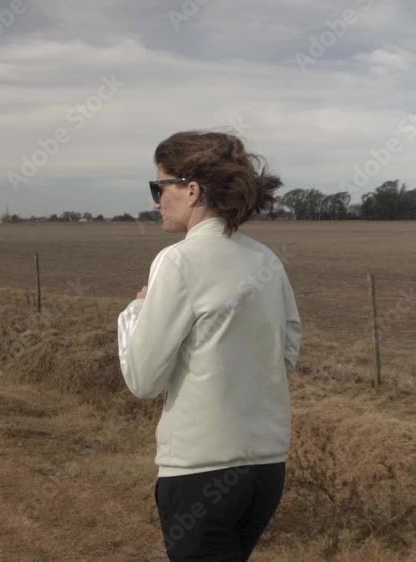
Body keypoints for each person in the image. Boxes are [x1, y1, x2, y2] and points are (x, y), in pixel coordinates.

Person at [117, 131, 303, 561]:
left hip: (199, 472)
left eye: (159, 186)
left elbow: (143, 380)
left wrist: (135, 311)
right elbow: (288, 348)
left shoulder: (178, 260)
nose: (156, 199)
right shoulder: (266, 260)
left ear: (192, 190)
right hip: (267, 469)